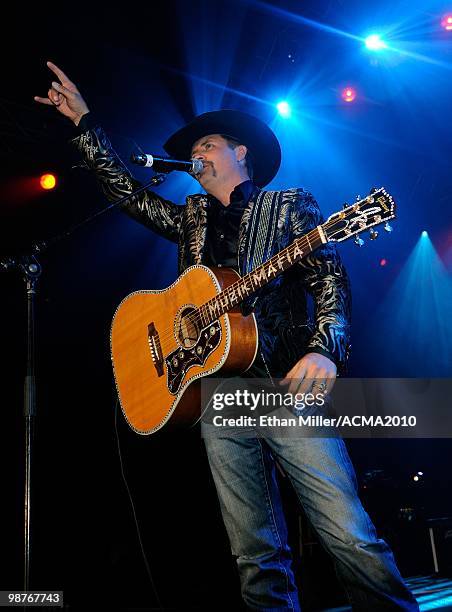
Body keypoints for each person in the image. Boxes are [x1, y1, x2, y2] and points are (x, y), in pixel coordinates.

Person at [35, 61, 419, 611]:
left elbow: (329, 276)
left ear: (243, 154)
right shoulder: (191, 216)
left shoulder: (287, 206)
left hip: (283, 385)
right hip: (216, 392)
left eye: (210, 143)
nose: (200, 152)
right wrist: (85, 124)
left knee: (348, 534)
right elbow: (124, 190)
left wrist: (325, 348)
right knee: (253, 552)